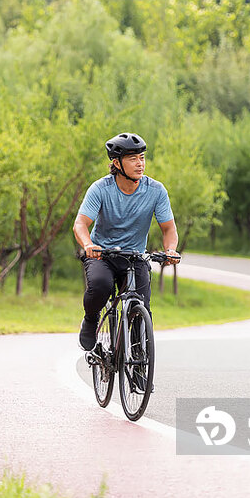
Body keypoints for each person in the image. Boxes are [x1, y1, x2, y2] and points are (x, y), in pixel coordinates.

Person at [73, 132, 180, 351]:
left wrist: (170, 250)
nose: (140, 164)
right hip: (102, 255)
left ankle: (139, 361)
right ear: (116, 163)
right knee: (100, 286)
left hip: (135, 257)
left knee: (141, 308)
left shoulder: (156, 191)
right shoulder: (101, 189)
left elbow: (168, 228)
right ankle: (91, 319)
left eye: (142, 157)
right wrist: (88, 245)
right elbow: (80, 224)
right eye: (133, 159)